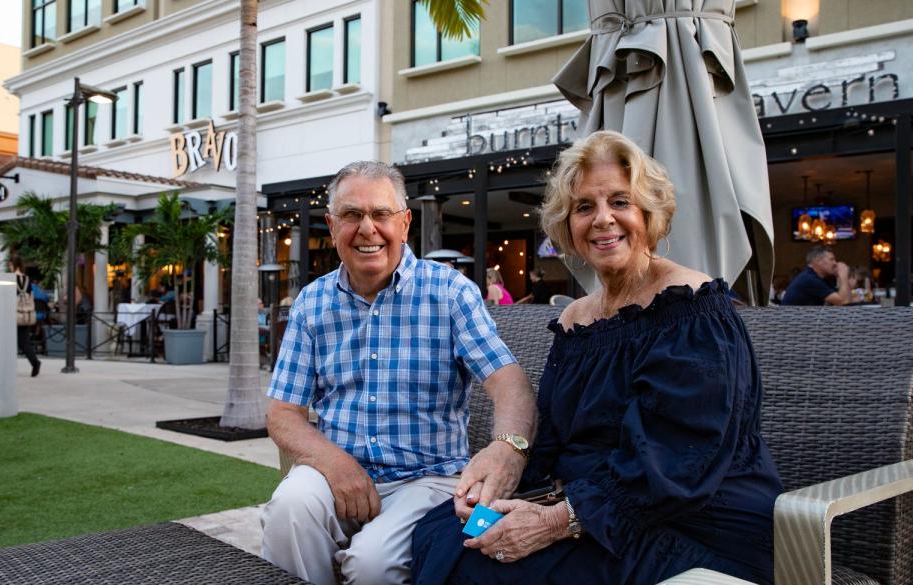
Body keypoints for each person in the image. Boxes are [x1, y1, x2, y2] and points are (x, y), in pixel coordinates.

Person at [412, 131, 782, 585]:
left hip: (688, 524)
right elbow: (554, 436)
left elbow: (680, 458)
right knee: (443, 530)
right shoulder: (575, 318)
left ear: (649, 213)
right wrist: (506, 466)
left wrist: (556, 520)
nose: (603, 219)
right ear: (568, 227)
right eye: (585, 207)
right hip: (591, 510)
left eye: (620, 202)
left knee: (479, 566)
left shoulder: (689, 309)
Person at [260, 161, 537, 585]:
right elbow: (282, 412)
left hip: (427, 479)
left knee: (372, 564)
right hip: (335, 471)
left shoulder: (448, 292)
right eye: (352, 215)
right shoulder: (311, 303)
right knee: (287, 511)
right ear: (333, 227)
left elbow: (509, 382)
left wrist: (508, 446)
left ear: (404, 223)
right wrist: (334, 463)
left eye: (381, 214)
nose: (367, 229)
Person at [781, 246, 851, 306]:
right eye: (831, 259)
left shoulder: (820, 278)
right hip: (791, 321)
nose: (835, 263)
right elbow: (843, 302)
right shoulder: (809, 279)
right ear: (818, 262)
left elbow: (845, 297)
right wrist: (843, 275)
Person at [10, 255, 41, 378]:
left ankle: (8, 367)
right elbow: (31, 296)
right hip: (26, 314)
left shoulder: (11, 279)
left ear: (12, 264)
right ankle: (35, 362)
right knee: (24, 342)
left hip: (14, 314)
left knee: (9, 342)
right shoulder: (27, 279)